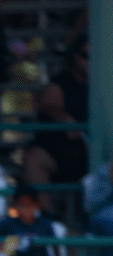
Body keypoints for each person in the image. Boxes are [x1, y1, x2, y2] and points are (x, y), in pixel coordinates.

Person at [23, 37, 89, 200]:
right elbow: (47, 104)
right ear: (75, 56)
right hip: (59, 152)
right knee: (33, 159)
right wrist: (65, 119)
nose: (90, 61)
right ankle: (46, 220)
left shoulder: (105, 85)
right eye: (85, 55)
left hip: (96, 151)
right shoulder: (60, 84)